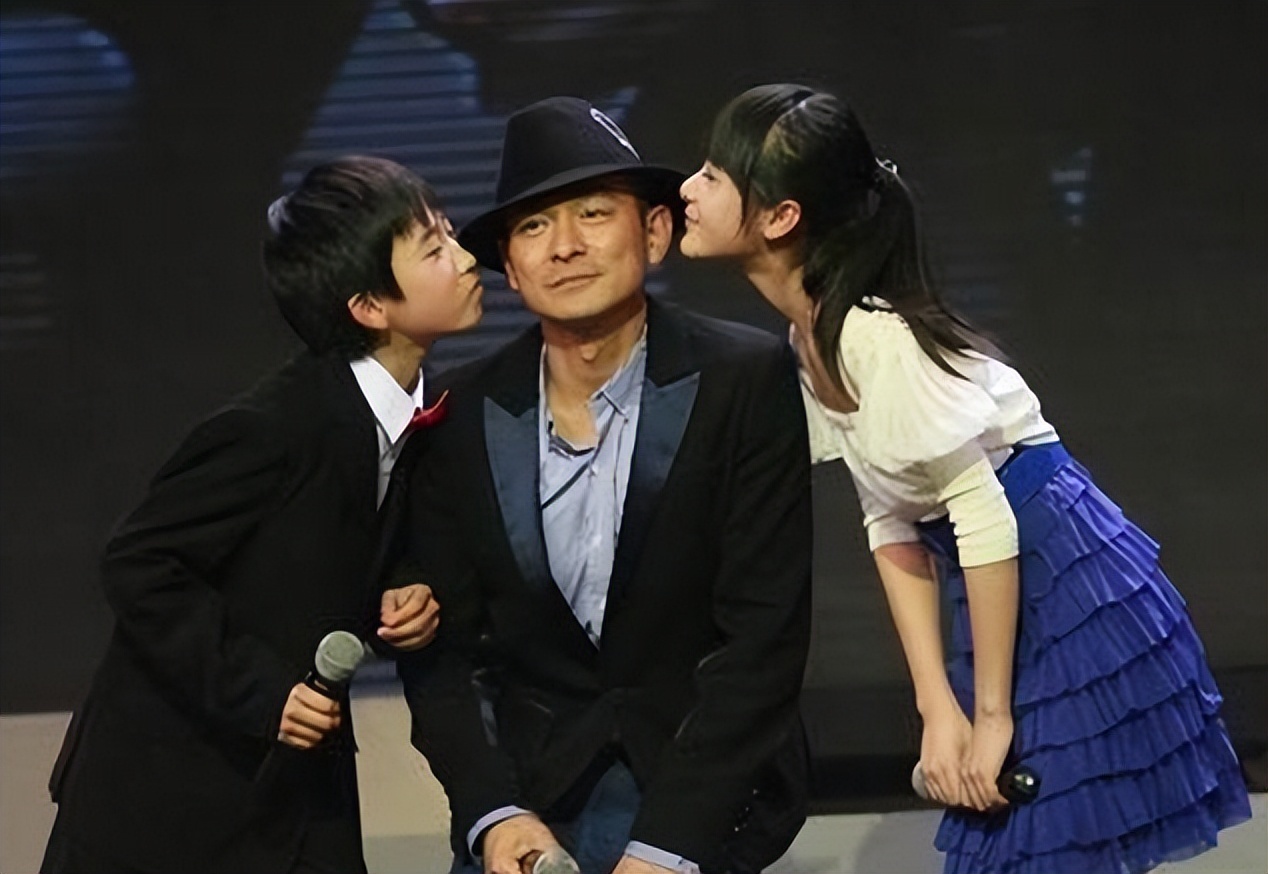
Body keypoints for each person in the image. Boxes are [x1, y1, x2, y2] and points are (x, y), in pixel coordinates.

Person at [677, 83, 1253, 874]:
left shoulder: (880, 340)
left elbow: (985, 520)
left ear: (780, 217)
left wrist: (990, 717)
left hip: (1066, 588)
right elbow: (889, 518)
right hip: (999, 591)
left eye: (713, 174)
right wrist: (934, 707)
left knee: (1045, 847)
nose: (687, 189)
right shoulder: (811, 340)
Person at [396, 96, 813, 874]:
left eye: (592, 213)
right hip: (531, 800)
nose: (564, 247)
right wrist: (492, 812)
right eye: (533, 227)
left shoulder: (744, 379)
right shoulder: (460, 411)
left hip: (695, 798)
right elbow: (444, 654)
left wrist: (667, 849)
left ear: (654, 232)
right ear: (509, 263)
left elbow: (762, 642)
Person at [40, 155, 483, 874]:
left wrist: (404, 587)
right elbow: (140, 562)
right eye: (434, 249)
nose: (465, 260)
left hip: (295, 794)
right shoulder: (274, 427)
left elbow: (332, 545)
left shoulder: (410, 414)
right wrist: (263, 692)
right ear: (369, 307)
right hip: (167, 805)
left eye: (451, 235)